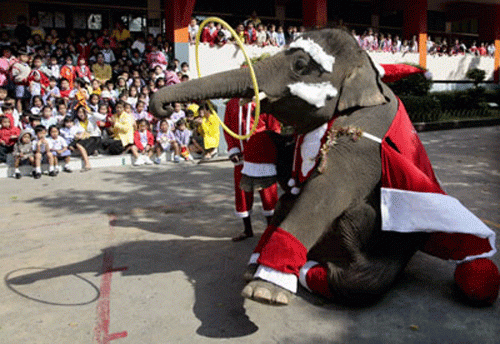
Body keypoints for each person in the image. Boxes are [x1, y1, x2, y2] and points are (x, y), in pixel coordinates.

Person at [223, 97, 281, 241]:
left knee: (268, 195)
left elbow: (274, 128)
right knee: (242, 194)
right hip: (241, 157)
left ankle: (271, 231)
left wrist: (269, 149)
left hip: (261, 156)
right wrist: (233, 149)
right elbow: (228, 128)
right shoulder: (232, 103)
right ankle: (247, 230)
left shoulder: (264, 101)